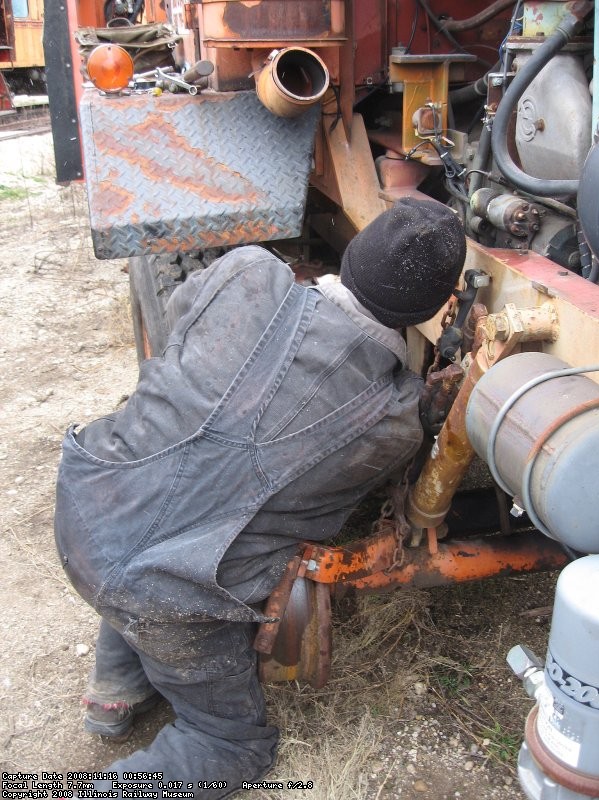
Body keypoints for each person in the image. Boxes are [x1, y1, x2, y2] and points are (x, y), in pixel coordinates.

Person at [54, 198, 466, 798]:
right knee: (231, 744)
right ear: (429, 313)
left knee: (155, 510)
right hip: (164, 596)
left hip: (88, 501)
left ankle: (115, 691)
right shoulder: (394, 421)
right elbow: (330, 514)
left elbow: (180, 325)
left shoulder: (246, 270)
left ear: (352, 253)